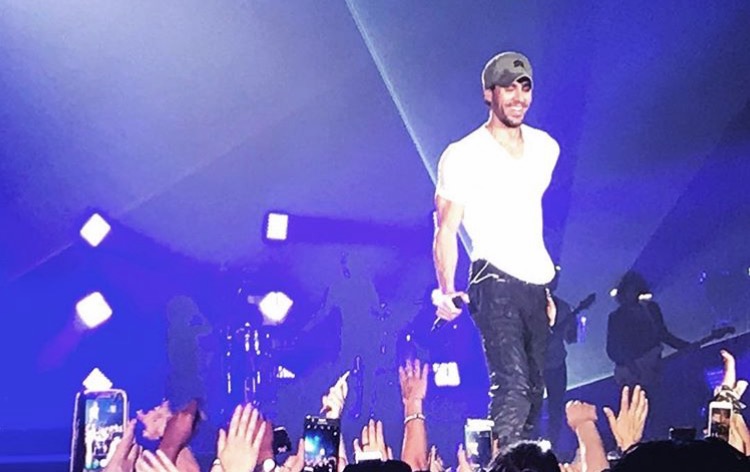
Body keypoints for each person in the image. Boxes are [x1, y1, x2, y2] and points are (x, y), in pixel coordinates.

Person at [432, 51, 560, 443]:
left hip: (534, 285)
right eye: (509, 88)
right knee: (513, 386)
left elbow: (527, 220)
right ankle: (503, 464)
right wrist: (446, 289)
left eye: (525, 88)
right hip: (493, 279)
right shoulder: (463, 154)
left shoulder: (545, 148)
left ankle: (523, 462)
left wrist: (543, 289)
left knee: (535, 392)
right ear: (489, 94)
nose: (519, 97)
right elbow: (446, 228)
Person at [606, 271, 690, 393]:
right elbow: (612, 350)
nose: (633, 293)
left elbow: (663, 334)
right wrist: (631, 365)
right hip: (632, 376)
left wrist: (685, 346)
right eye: (629, 289)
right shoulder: (616, 317)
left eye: (635, 289)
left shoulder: (651, 309)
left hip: (652, 370)